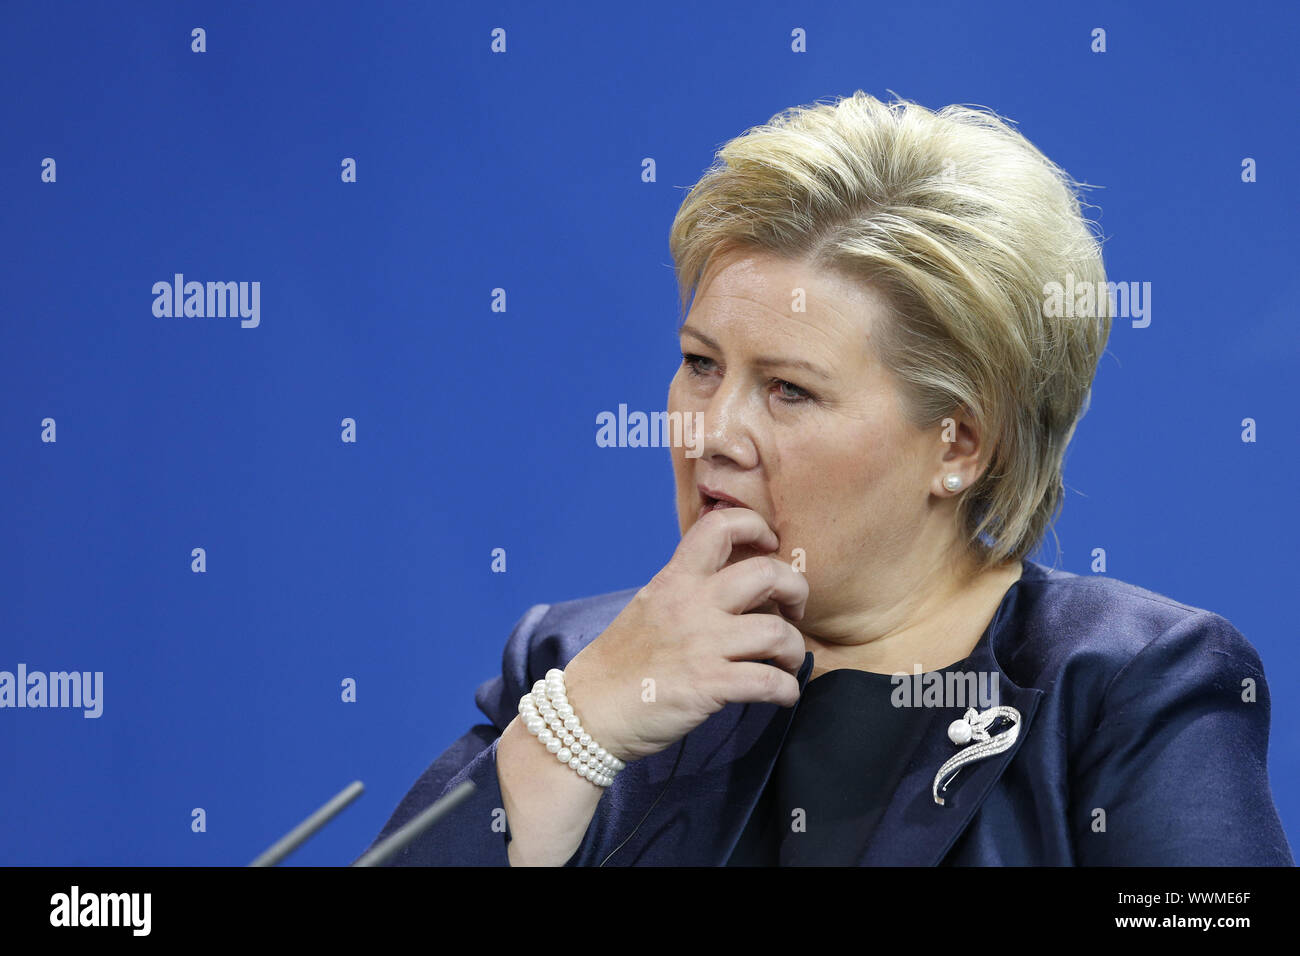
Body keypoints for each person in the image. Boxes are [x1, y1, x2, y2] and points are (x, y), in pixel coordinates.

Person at [357, 91, 1293, 866]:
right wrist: (582, 725)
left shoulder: (1127, 686)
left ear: (959, 444)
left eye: (790, 391)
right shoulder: (576, 661)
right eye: (700, 363)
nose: (710, 432)